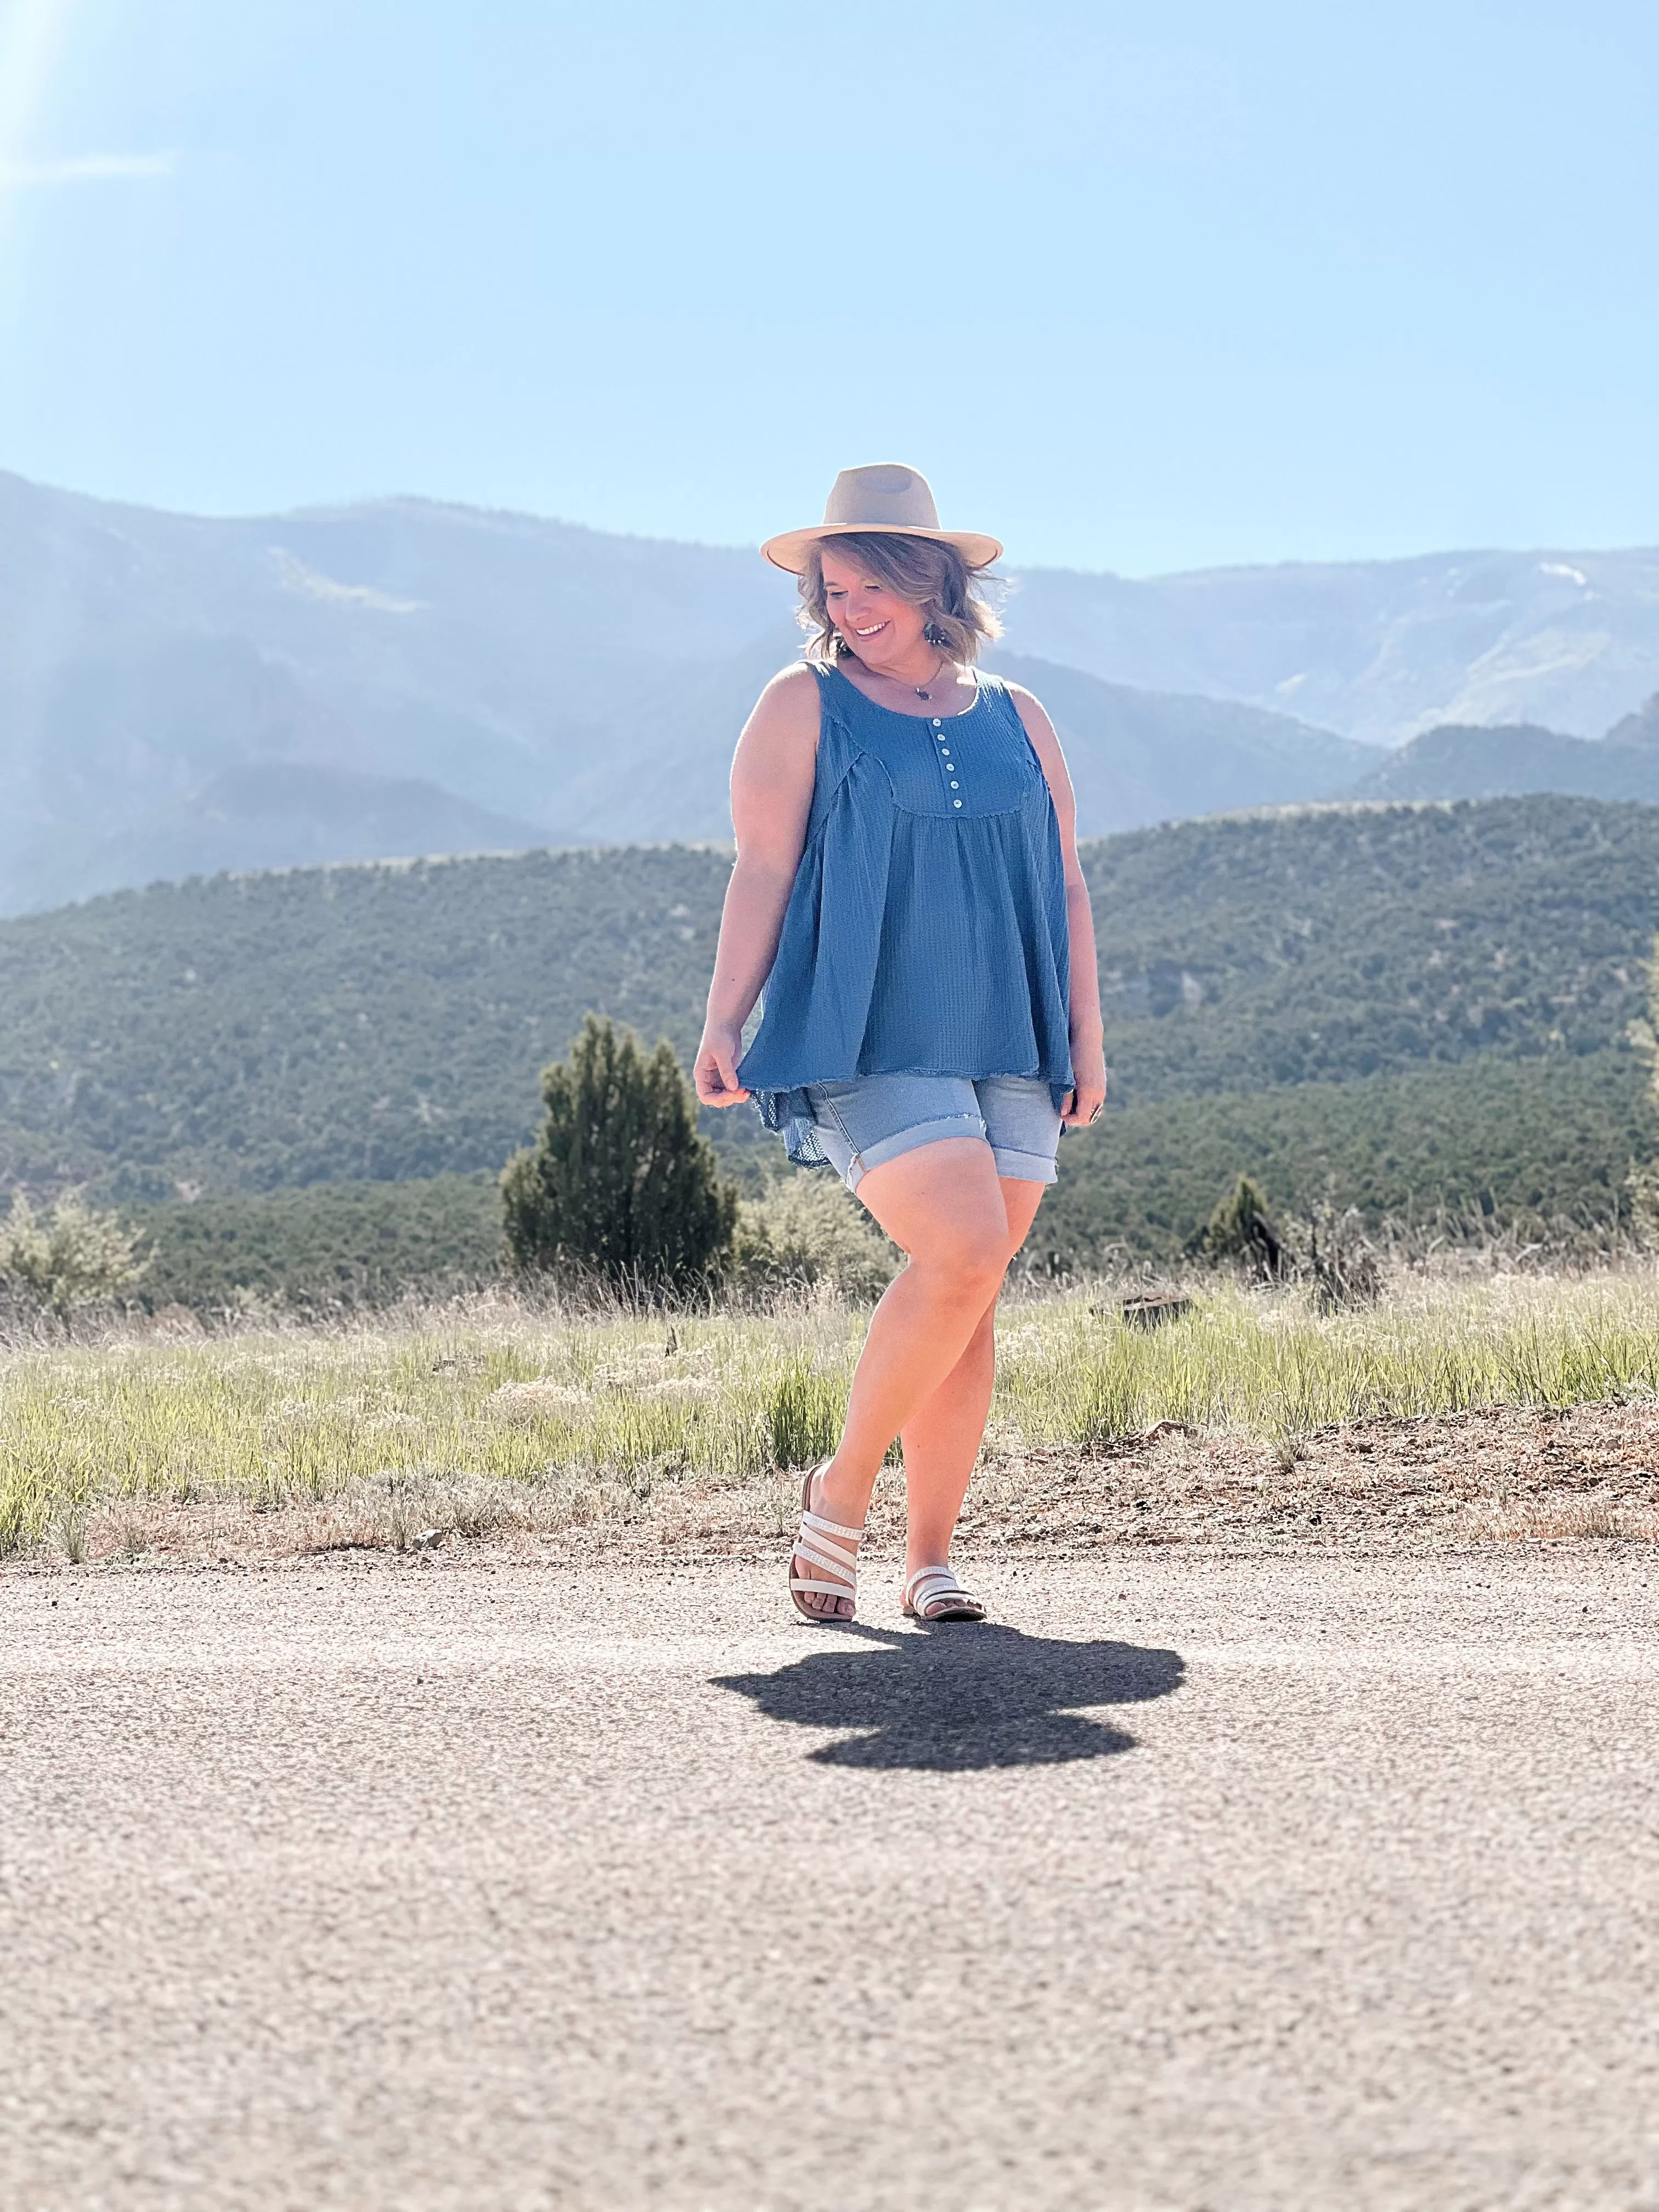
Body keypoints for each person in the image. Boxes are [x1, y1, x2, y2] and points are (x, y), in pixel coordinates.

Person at [695, 464, 1107, 1624]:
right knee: (965, 1250)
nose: (848, 611)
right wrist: (726, 1019)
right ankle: (841, 1493)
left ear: (936, 585)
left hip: (1013, 1030)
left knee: (968, 1293)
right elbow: (764, 868)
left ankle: (932, 1561)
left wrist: (1086, 1033)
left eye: (872, 586)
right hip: (870, 1025)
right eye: (832, 591)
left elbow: (1068, 882)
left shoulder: (1019, 716)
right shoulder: (801, 704)